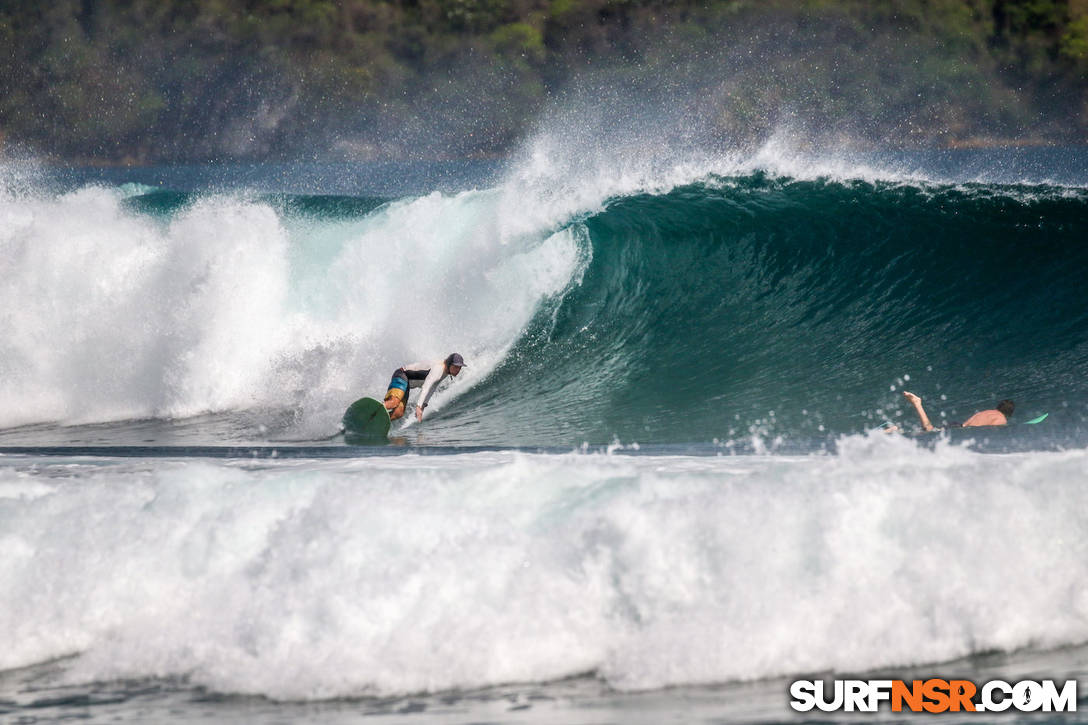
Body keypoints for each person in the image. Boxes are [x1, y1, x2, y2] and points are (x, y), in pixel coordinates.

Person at [382, 353, 467, 422]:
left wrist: (424, 404)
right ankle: (373, 410)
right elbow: (426, 386)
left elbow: (433, 387)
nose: (458, 370)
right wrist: (418, 406)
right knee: (394, 402)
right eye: (456, 367)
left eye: (459, 367)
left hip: (407, 384)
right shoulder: (438, 368)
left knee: (399, 413)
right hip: (401, 375)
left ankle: (379, 421)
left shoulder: (445, 372)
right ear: (449, 365)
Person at [900, 391, 1014, 432]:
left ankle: (894, 430)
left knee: (925, 431)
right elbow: (992, 431)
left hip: (958, 425)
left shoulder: (989, 411)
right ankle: (918, 404)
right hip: (962, 431)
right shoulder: (1001, 419)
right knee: (928, 431)